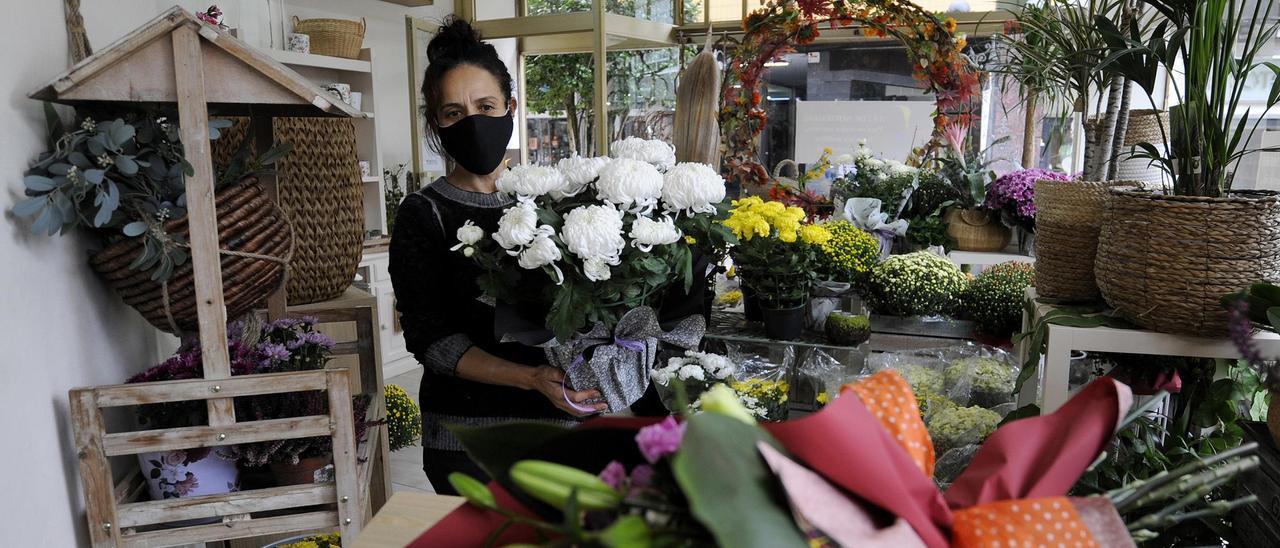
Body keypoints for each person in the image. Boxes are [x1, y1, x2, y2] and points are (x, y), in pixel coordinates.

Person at [388, 17, 605, 495]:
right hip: (467, 437)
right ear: (436, 125)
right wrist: (530, 378)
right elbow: (432, 340)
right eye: (453, 113)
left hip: (563, 424)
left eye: (485, 106)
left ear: (510, 106)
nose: (471, 122)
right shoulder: (424, 214)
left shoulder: (554, 203)